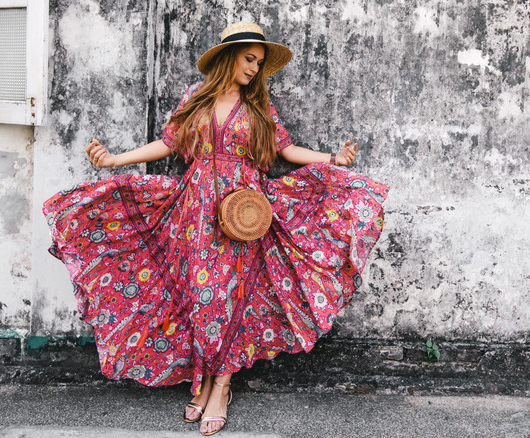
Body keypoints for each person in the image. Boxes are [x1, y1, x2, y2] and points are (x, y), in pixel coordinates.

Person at [43, 22, 389, 436]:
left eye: (259, 63)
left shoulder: (259, 107)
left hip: (245, 213)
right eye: (249, 59)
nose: (254, 69)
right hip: (195, 208)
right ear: (229, 57)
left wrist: (333, 158)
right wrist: (115, 161)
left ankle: (221, 387)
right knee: (200, 295)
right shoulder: (197, 97)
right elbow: (169, 143)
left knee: (232, 295)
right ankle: (204, 380)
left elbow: (285, 149)